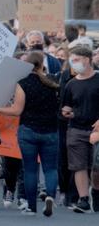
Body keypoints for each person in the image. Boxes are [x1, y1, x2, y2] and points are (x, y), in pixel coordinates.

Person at [0, 52, 59, 216]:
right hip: (51, 131)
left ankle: (31, 207)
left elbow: (16, 110)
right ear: (41, 65)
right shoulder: (53, 82)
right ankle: (51, 196)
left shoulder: (23, 84)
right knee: (50, 169)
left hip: (28, 131)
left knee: (30, 170)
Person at [60, 46, 99, 213]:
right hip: (76, 129)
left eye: (76, 60)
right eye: (71, 61)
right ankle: (83, 199)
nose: (73, 64)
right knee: (79, 166)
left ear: (87, 59)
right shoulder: (71, 84)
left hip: (96, 130)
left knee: (97, 168)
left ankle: (96, 193)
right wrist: (66, 112)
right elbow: (66, 106)